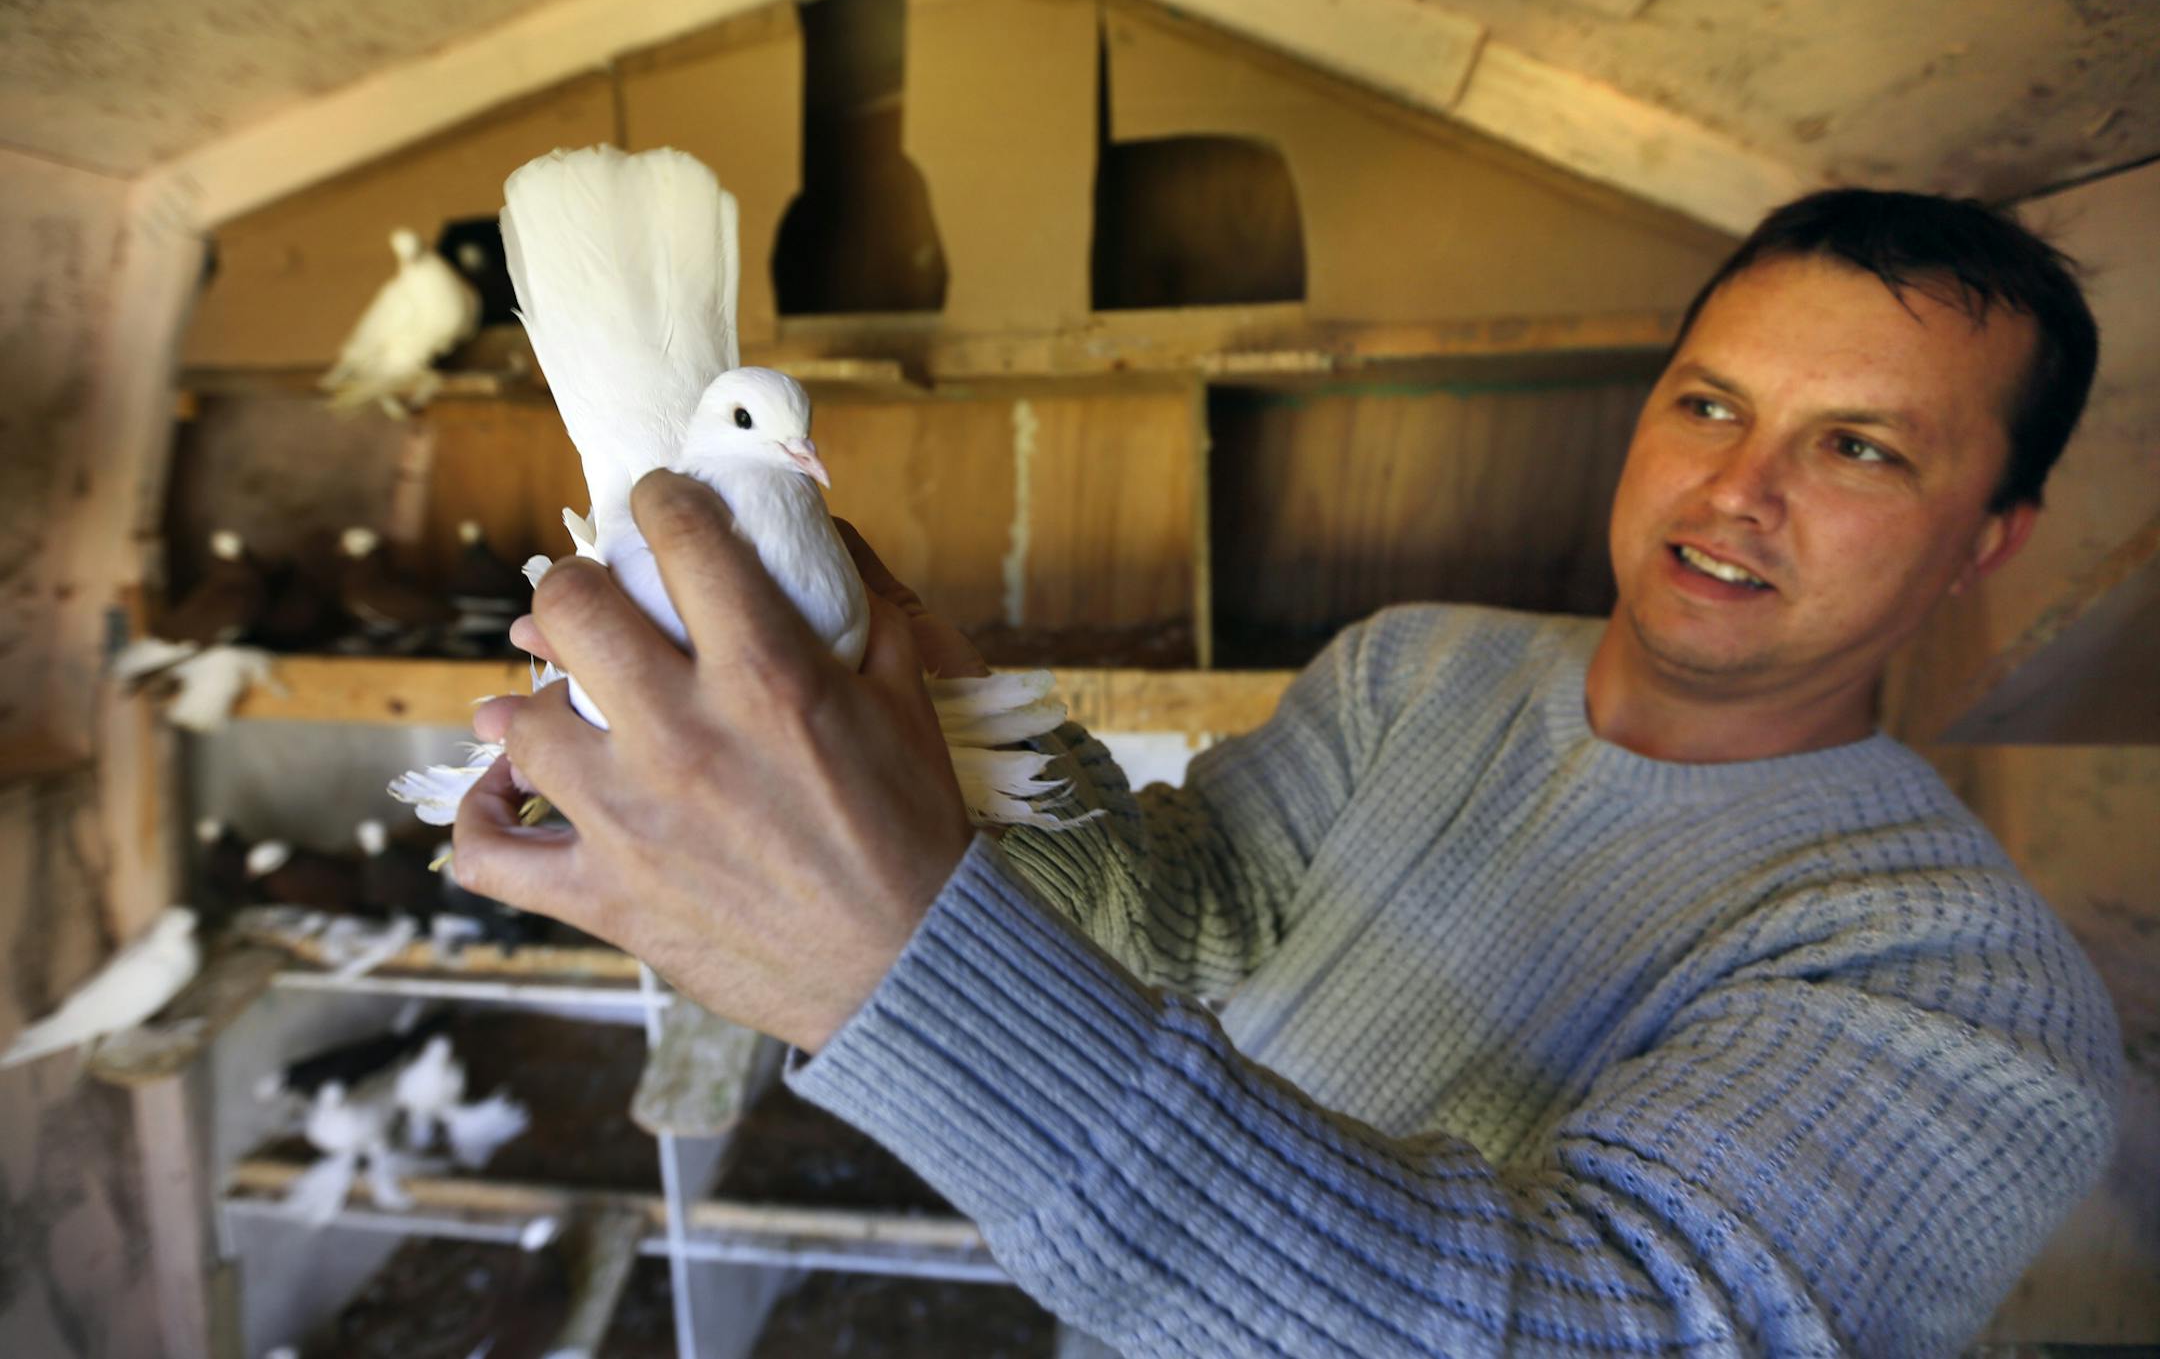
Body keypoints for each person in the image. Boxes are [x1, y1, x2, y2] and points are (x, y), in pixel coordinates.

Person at [454, 189, 2122, 1356]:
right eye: (1711, 401)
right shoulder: (1425, 665)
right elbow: (1184, 915)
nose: (1740, 487)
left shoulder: (1964, 988)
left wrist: (894, 955)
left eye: (1858, 446)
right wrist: (934, 723)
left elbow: (1611, 1333)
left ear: (1993, 537)